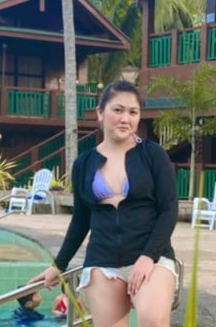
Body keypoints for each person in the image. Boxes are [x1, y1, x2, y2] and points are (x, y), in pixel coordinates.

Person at [30, 79, 178, 327]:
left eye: (133, 112)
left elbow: (169, 209)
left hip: (151, 257)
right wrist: (59, 265)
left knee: (152, 320)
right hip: (103, 260)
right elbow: (81, 220)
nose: (125, 119)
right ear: (100, 113)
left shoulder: (153, 155)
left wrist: (147, 256)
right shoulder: (84, 164)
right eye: (117, 110)